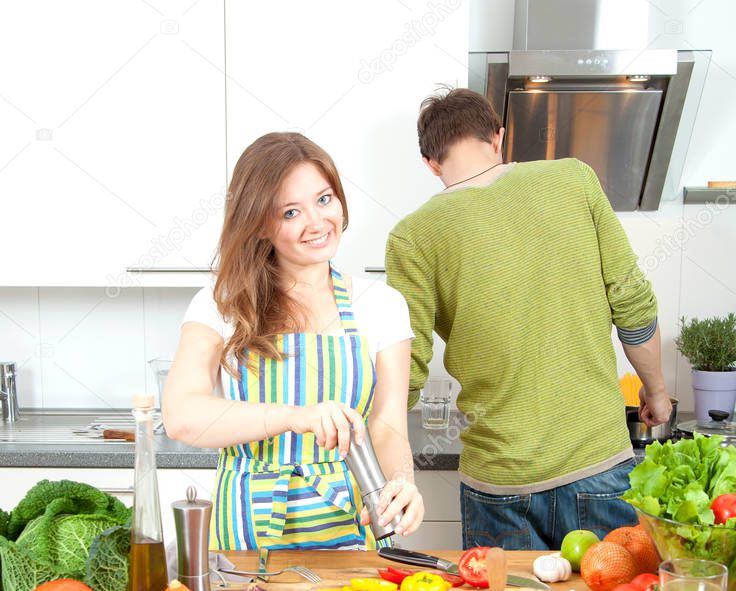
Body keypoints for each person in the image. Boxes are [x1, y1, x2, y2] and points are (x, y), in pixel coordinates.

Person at [385, 88, 672, 550]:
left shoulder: (412, 236)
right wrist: (656, 392)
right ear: (498, 138)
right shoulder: (575, 179)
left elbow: (405, 371)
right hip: (597, 466)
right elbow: (632, 303)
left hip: (498, 486)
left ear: (431, 164)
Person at [164, 132, 423, 550]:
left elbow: (388, 425)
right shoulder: (223, 304)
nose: (318, 223)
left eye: (324, 199)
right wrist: (294, 416)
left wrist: (401, 484)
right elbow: (181, 415)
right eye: (290, 212)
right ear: (260, 225)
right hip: (245, 538)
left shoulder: (381, 304)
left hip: (348, 532)